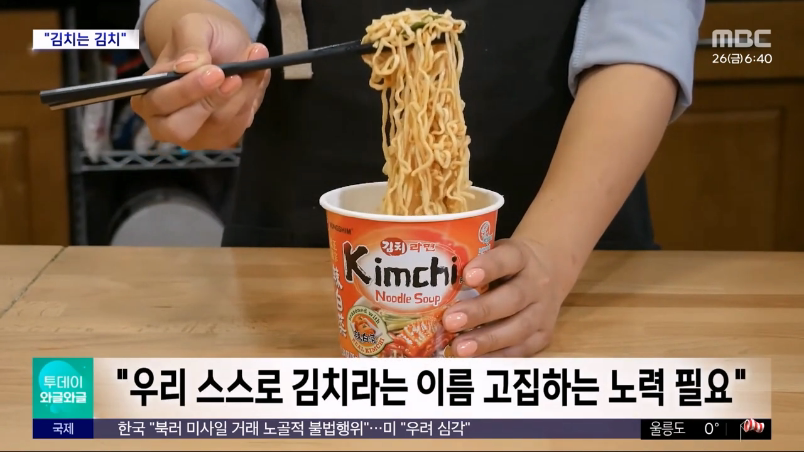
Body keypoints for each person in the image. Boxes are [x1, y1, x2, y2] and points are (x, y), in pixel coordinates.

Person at [133, 0, 705, 357]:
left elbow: (644, 35)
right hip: (297, 247)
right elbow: (192, 10)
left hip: (574, 232)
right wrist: (197, 38)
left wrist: (550, 254)